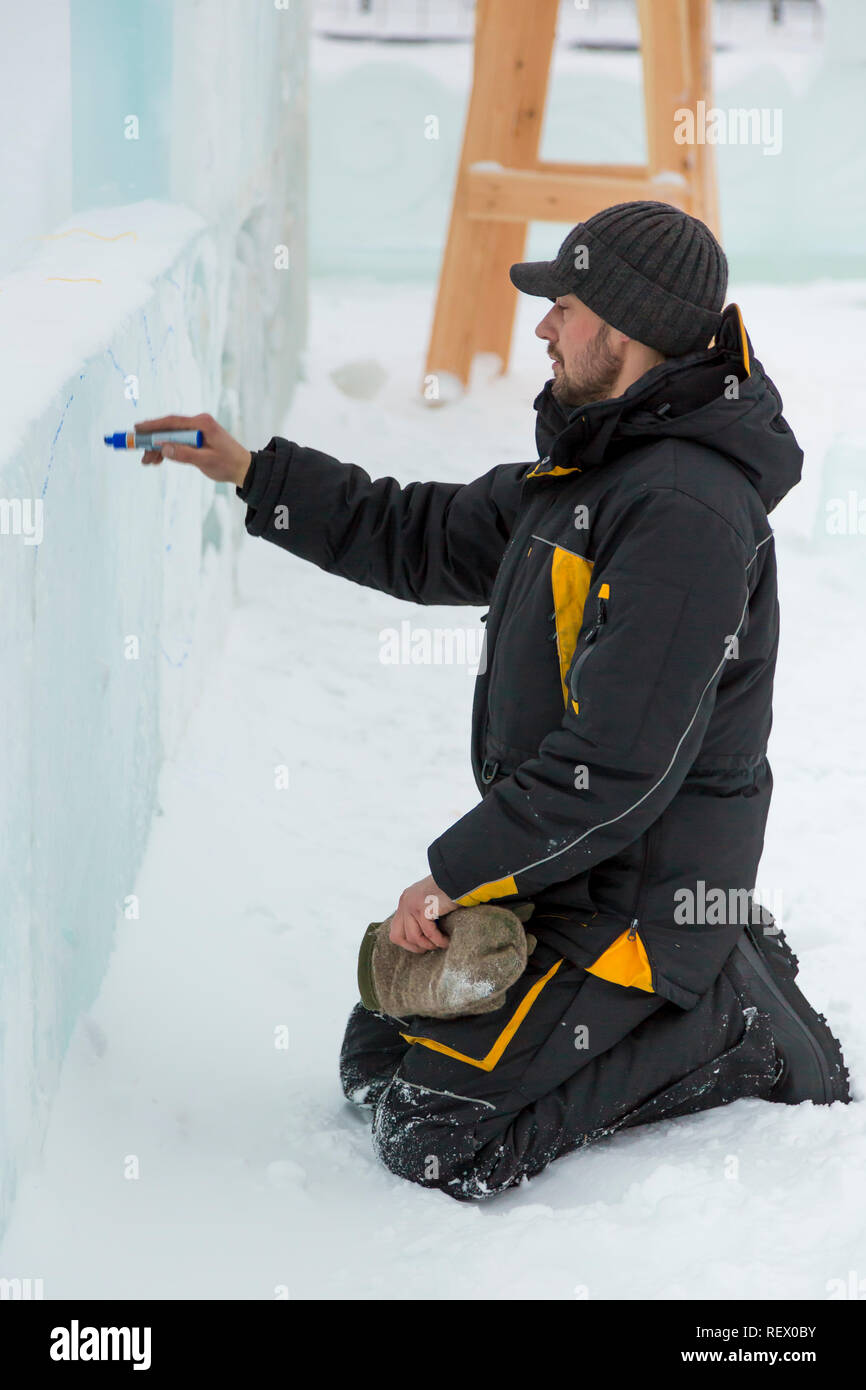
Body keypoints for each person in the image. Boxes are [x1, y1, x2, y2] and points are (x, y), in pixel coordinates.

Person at [137, 201, 849, 1201]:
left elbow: (614, 770)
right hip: (570, 878)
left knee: (437, 1134)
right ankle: (711, 952)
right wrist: (254, 472)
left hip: (634, 910)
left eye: (561, 306)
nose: (542, 327)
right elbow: (416, 534)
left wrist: (450, 878)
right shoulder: (594, 471)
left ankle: (723, 1016)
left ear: (626, 325)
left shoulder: (682, 512)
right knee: (374, 1056)